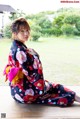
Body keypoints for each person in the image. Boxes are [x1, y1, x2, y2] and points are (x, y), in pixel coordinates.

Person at [3, 17, 80, 107]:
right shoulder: (20, 51)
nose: (26, 33)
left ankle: (74, 97)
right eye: (22, 31)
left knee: (52, 88)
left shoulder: (15, 46)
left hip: (16, 92)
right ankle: (73, 97)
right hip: (26, 93)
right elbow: (31, 74)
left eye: (27, 30)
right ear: (15, 33)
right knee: (56, 88)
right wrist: (35, 56)